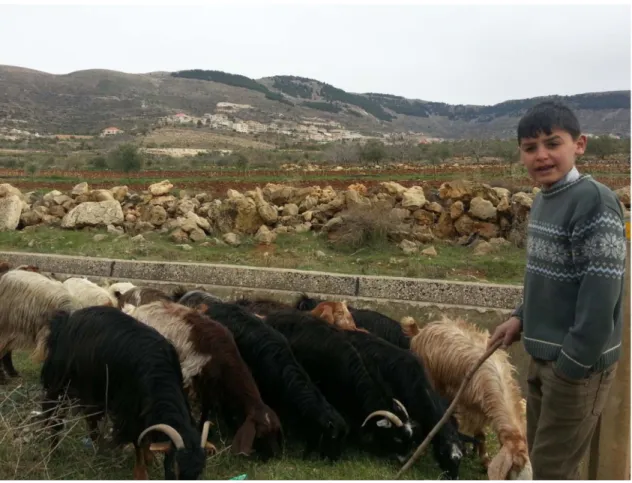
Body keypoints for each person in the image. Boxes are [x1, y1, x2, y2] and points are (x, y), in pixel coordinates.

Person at [487, 101, 627, 480]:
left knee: (552, 470)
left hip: (575, 368)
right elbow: (545, 280)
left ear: (579, 145)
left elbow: (601, 295)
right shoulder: (545, 200)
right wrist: (519, 317)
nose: (542, 155)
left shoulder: (594, 202)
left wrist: (572, 365)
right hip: (544, 355)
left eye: (553, 143)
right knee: (544, 460)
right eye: (530, 148)